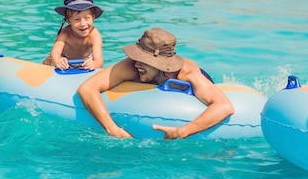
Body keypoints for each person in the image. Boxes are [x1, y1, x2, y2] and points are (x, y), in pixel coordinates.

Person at [77, 27, 235, 139]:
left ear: (161, 63)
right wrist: (112, 129)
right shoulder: (133, 66)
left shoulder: (187, 73)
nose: (137, 64)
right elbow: (87, 88)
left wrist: (182, 131)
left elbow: (224, 106)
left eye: (143, 60)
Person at [43, 0, 104, 71]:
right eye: (77, 20)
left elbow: (99, 61)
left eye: (87, 18)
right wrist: (58, 61)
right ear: (68, 21)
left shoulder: (95, 36)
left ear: (93, 17)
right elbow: (55, 53)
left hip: (85, 62)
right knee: (48, 62)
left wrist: (94, 64)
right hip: (64, 59)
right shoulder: (65, 33)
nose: (83, 24)